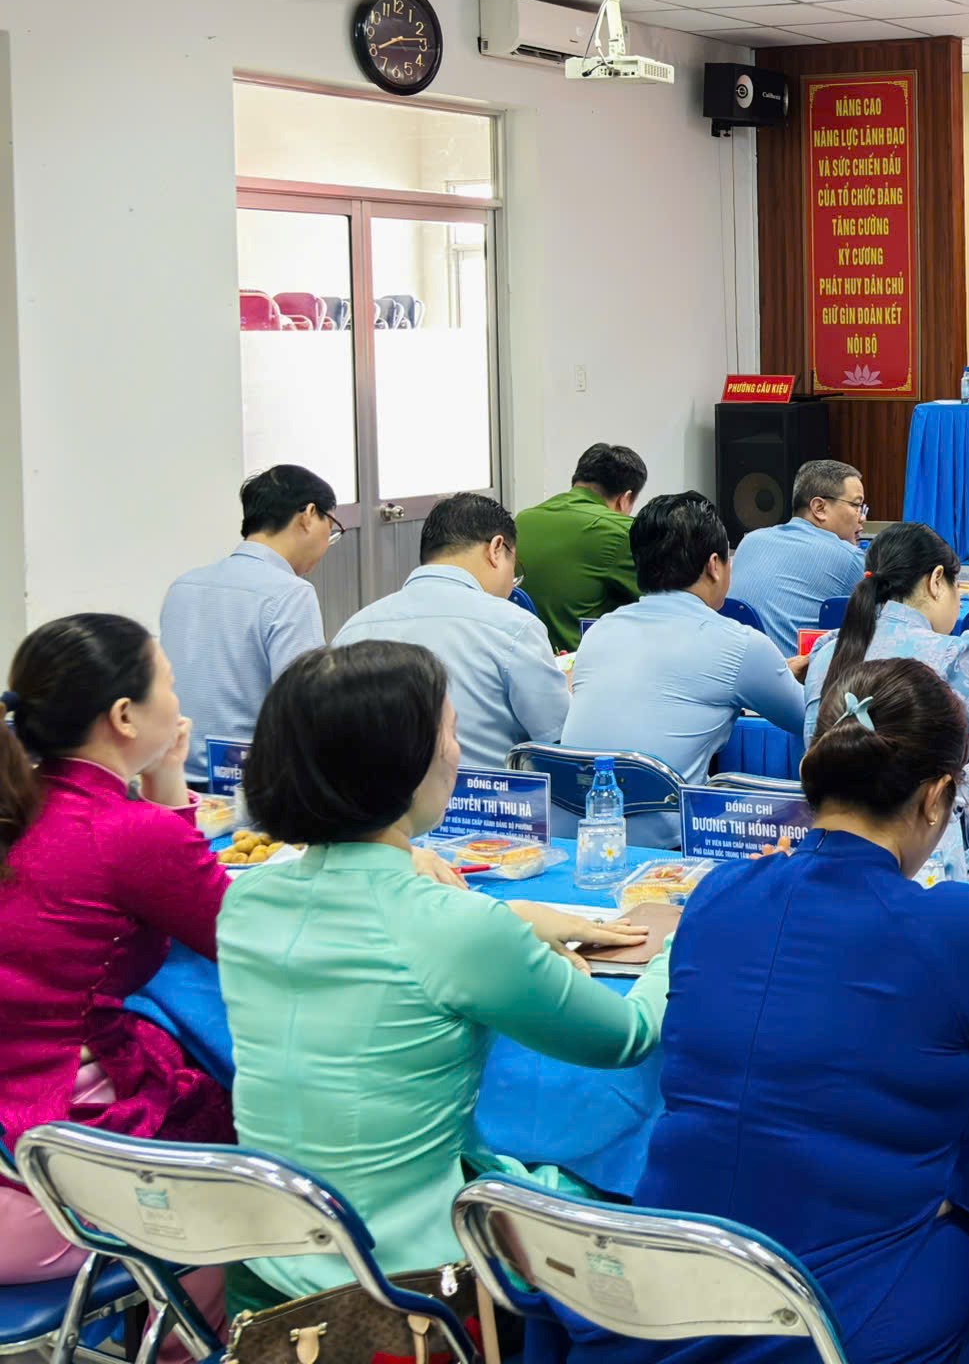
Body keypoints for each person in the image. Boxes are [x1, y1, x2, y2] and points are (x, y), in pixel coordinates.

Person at [591, 658, 969, 1364]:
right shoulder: (959, 927)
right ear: (937, 798)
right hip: (823, 1319)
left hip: (658, 1297)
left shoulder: (717, 893)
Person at [219, 641, 661, 1296]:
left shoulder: (244, 900)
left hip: (260, 1264)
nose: (457, 753)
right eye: (450, 733)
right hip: (409, 1283)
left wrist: (504, 917)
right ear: (402, 765)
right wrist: (679, 943)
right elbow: (626, 1038)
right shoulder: (456, 929)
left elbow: (385, 929)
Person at [0, 616, 232, 1296]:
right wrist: (169, 789)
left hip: (16, 1141)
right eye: (170, 684)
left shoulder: (20, 807)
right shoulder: (123, 832)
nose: (179, 702)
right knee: (258, 1148)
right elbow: (234, 935)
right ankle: (198, 1332)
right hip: (51, 1184)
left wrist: (163, 783)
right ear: (125, 715)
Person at [806, 523, 969, 875]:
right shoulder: (953, 656)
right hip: (934, 861)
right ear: (937, 580)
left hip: (833, 856)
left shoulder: (826, 653)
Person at [561, 493, 806, 824]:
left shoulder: (600, 632)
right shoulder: (741, 645)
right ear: (714, 565)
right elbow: (812, 720)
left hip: (580, 834)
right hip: (672, 845)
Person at [333, 492, 568, 770]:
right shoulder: (513, 626)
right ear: (496, 548)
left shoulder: (355, 628)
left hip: (377, 795)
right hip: (486, 795)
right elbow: (559, 739)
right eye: (513, 567)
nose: (511, 583)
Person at [157, 464, 334, 772]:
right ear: (307, 515)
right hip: (252, 783)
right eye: (331, 525)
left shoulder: (182, 586)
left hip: (173, 778)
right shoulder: (291, 593)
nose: (328, 541)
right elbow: (306, 710)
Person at [516, 443, 648, 651]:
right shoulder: (623, 531)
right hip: (582, 664)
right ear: (626, 499)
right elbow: (667, 602)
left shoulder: (522, 520)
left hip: (524, 656)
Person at [726, 460, 867, 652]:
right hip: (796, 669)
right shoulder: (848, 557)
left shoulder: (749, 541)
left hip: (738, 666)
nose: (862, 517)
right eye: (856, 505)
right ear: (819, 508)